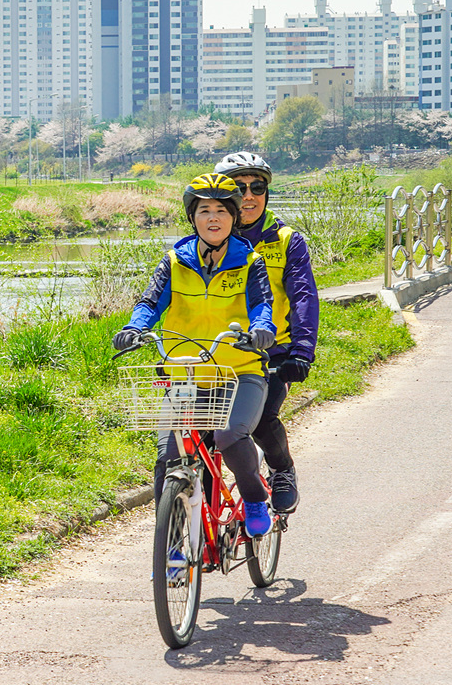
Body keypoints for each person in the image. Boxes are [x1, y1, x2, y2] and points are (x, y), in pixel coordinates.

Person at [113, 173, 279, 537]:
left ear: (234, 217)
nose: (214, 218)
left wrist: (261, 332)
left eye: (222, 210)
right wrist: (133, 328)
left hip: (240, 373)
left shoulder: (250, 261)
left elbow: (262, 306)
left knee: (229, 436)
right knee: (167, 458)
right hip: (185, 374)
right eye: (205, 210)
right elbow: (149, 303)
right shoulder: (174, 261)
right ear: (193, 217)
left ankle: (253, 498)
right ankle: (172, 545)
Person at [213, 151, 319, 515]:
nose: (248, 195)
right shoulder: (208, 238)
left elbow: (303, 296)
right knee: (204, 431)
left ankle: (282, 470)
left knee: (259, 420)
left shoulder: (287, 240)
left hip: (273, 353)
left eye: (257, 186)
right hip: (218, 352)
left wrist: (302, 351)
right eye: (238, 187)